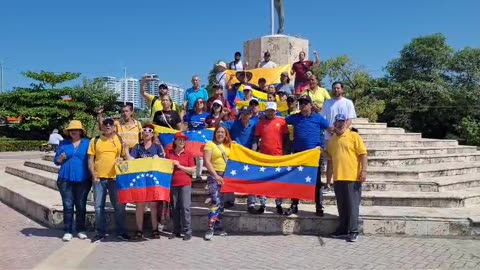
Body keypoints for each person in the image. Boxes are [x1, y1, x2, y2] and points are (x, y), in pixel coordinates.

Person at [285, 96, 330, 216]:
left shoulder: (318, 118)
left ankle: (319, 206)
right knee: (296, 181)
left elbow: (330, 129)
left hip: (314, 155)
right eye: (301, 103)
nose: (303, 105)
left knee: (317, 182)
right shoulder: (294, 117)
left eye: (306, 103)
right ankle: (294, 205)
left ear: (311, 105)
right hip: (298, 154)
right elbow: (280, 121)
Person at [325, 114, 367, 242]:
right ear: (335, 124)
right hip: (338, 177)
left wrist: (364, 170)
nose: (340, 124)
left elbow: (363, 154)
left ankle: (354, 231)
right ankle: (343, 229)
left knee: (353, 206)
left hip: (352, 176)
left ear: (346, 123)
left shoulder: (354, 136)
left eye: (342, 122)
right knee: (342, 206)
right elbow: (330, 158)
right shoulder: (332, 139)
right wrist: (320, 151)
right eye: (338, 122)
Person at [88, 117, 129, 242]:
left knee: (119, 206)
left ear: (114, 127)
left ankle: (121, 232)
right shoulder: (95, 141)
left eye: (110, 124)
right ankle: (100, 232)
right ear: (102, 127)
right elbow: (90, 160)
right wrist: (93, 174)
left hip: (115, 178)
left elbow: (124, 158)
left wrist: (122, 160)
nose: (108, 126)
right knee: (98, 206)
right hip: (99, 178)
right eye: (105, 124)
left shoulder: (119, 140)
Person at [123, 123, 165, 240]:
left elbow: (163, 162)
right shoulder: (137, 147)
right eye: (145, 130)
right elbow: (131, 160)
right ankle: (139, 230)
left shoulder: (157, 147)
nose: (147, 132)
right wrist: (126, 151)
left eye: (149, 130)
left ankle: (155, 229)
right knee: (139, 205)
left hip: (152, 180)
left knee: (153, 205)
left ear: (152, 134)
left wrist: (158, 158)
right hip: (140, 180)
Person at [53, 120, 91, 241]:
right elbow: (56, 161)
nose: (74, 132)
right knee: (68, 205)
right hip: (65, 179)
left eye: (76, 130)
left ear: (81, 132)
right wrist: (60, 158)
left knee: (81, 205)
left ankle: (80, 229)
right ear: (69, 132)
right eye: (71, 130)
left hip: (83, 179)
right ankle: (68, 230)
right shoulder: (63, 144)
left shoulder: (87, 143)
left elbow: (92, 159)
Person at [253, 103, 290, 214]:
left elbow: (287, 139)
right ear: (265, 111)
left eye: (272, 110)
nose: (270, 112)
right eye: (268, 110)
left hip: (278, 157)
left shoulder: (282, 122)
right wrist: (254, 153)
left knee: (278, 182)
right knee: (263, 182)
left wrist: (286, 153)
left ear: (276, 110)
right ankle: (263, 204)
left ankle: (278, 204)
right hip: (263, 157)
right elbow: (256, 138)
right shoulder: (261, 123)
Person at [222, 108, 260, 214]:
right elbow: (220, 127)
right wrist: (229, 141)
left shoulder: (254, 124)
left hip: (249, 155)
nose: (245, 116)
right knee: (230, 176)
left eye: (247, 114)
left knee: (251, 179)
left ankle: (251, 203)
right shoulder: (233, 123)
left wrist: (254, 150)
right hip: (235, 155)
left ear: (251, 115)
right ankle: (229, 200)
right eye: (243, 114)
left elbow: (257, 137)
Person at [203, 126, 232, 240]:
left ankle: (218, 227)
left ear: (226, 134)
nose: (220, 134)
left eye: (222, 132)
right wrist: (215, 175)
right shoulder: (210, 144)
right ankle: (210, 228)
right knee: (215, 201)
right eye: (218, 132)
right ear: (215, 134)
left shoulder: (228, 146)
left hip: (226, 177)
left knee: (222, 203)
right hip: (213, 176)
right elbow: (207, 161)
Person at [166, 132, 195, 241]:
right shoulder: (169, 153)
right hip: (173, 184)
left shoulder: (189, 153)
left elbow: (192, 170)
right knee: (175, 208)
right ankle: (176, 231)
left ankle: (187, 231)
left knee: (185, 207)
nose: (182, 141)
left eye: (184, 140)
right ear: (175, 141)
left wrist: (179, 166)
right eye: (179, 139)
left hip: (185, 184)